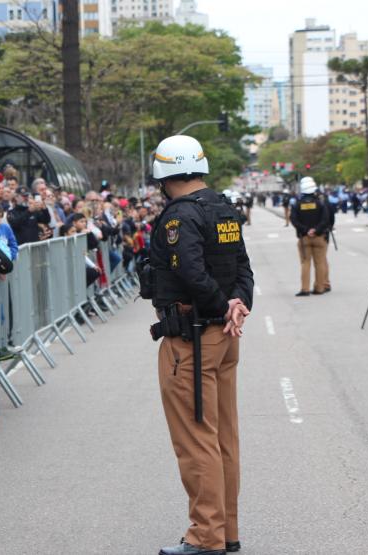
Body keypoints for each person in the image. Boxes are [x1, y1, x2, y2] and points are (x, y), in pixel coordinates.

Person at [146, 135, 253, 555]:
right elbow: (243, 265)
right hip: (225, 336)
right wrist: (239, 303)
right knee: (224, 436)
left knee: (196, 440)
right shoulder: (224, 207)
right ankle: (226, 531)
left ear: (162, 173)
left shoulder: (180, 216)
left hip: (191, 337)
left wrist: (222, 303)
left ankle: (205, 536)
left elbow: (189, 270)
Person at [290, 177, 330, 296]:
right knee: (320, 263)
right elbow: (325, 219)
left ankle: (305, 289)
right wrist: (316, 230)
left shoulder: (297, 204)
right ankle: (319, 288)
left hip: (304, 238)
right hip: (319, 237)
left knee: (305, 263)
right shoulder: (320, 203)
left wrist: (306, 230)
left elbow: (294, 220)